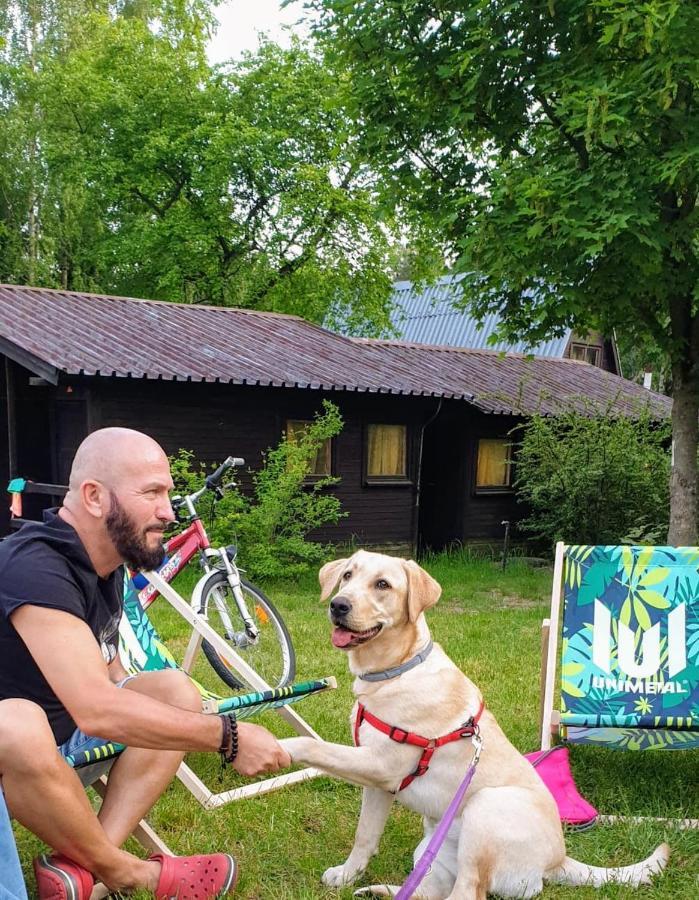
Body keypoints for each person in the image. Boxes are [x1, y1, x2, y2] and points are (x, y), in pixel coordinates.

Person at [0, 428, 291, 900]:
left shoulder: (107, 567)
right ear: (94, 497)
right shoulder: (33, 566)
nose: (169, 512)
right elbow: (97, 709)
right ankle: (128, 872)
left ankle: (80, 871)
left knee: (175, 690)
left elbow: (111, 674)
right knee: (17, 721)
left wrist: (154, 701)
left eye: (170, 494)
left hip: (59, 746)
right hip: (16, 753)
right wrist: (226, 736)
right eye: (152, 492)